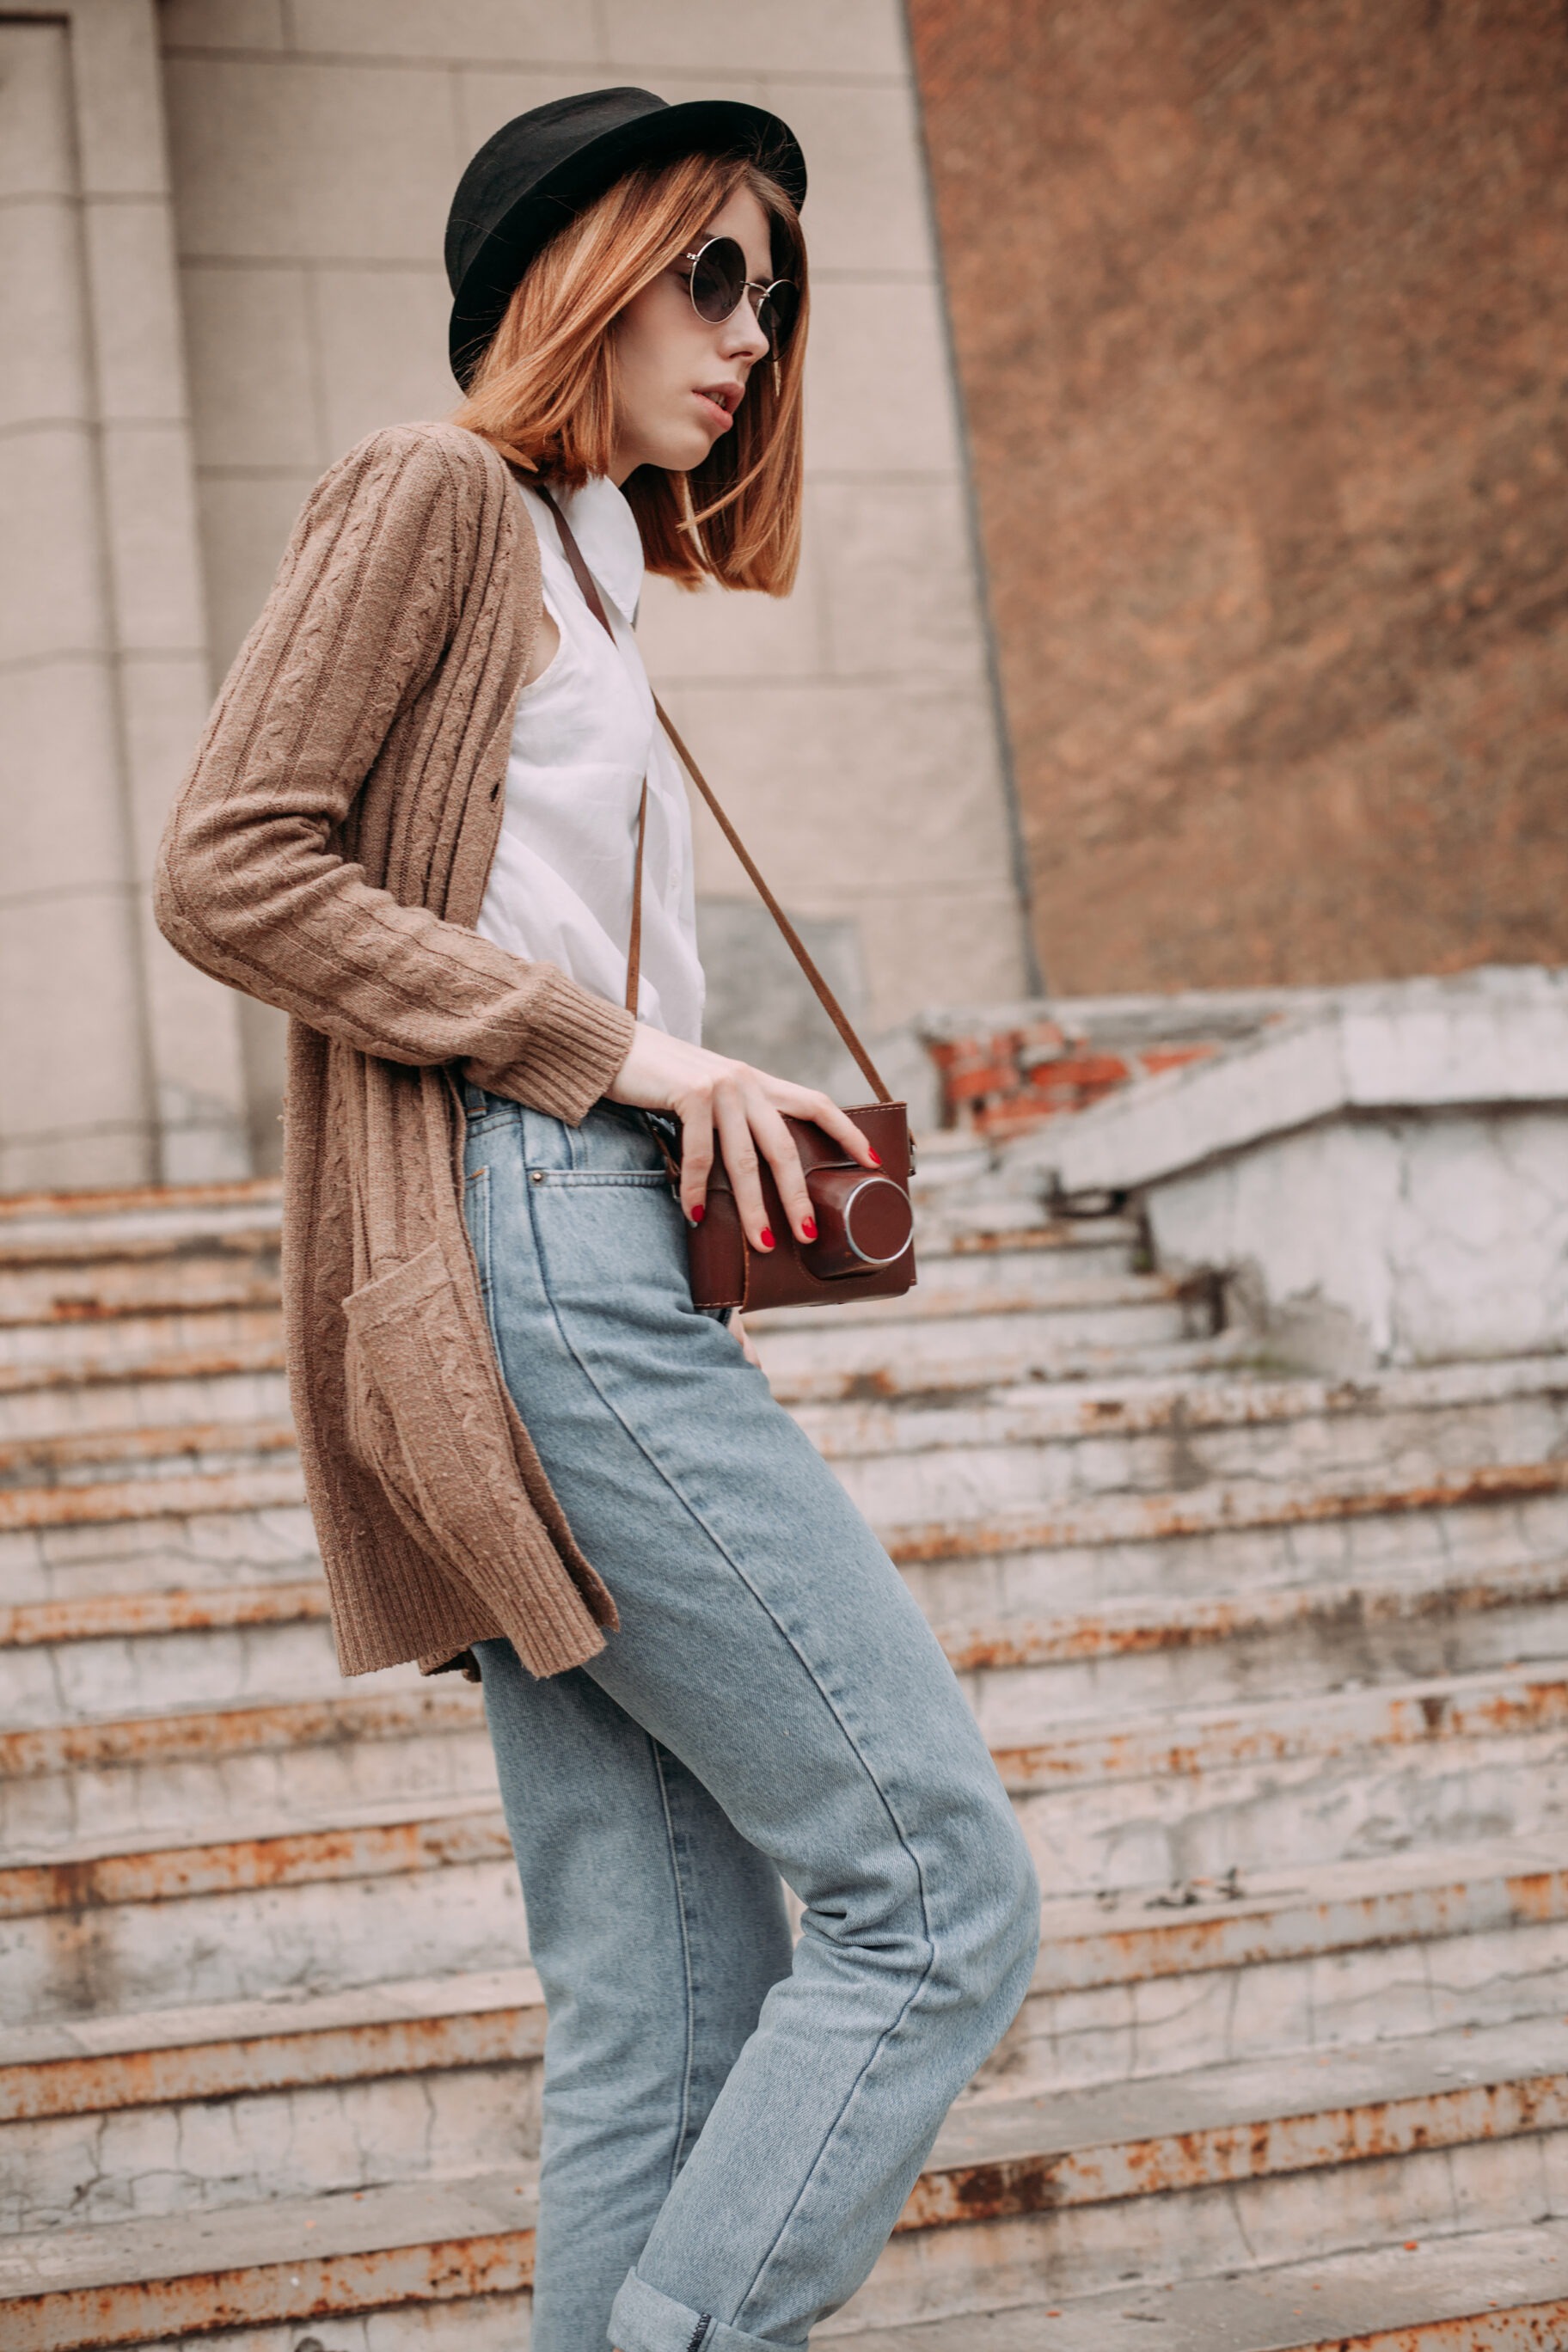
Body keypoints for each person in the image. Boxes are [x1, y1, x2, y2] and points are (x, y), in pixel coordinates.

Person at [156, 87, 1038, 2352]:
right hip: (532, 1259)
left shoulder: (598, 566)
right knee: (935, 1888)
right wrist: (640, 1060)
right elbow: (232, 861)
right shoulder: (433, 493)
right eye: (710, 271)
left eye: (779, 287)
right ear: (579, 271)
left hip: (592, 1256)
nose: (754, 329)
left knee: (670, 2006)